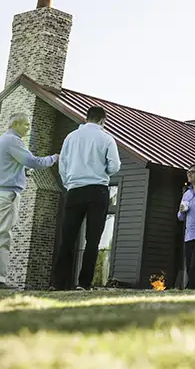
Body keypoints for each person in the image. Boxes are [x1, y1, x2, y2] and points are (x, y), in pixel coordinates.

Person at [52, 106, 120, 291]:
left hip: (75, 190)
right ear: (102, 120)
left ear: (86, 118)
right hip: (97, 190)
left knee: (67, 238)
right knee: (92, 239)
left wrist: (69, 183)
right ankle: (84, 283)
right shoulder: (106, 138)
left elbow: (63, 164)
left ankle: (59, 283)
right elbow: (115, 166)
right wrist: (101, 170)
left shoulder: (71, 137)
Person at [0, 113, 59, 289]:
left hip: (3, 192)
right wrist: (54, 158)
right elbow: (33, 162)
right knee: (3, 236)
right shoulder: (13, 141)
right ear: (16, 124)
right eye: (25, 125)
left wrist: (21, 172)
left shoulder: (4, 140)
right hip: (7, 195)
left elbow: (11, 166)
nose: (28, 127)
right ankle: (0, 280)